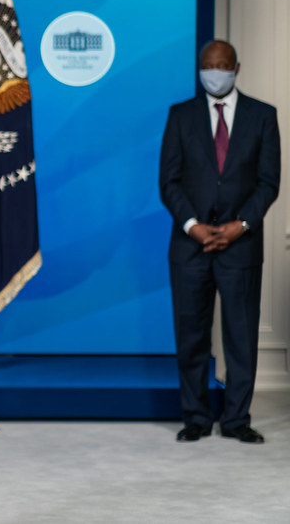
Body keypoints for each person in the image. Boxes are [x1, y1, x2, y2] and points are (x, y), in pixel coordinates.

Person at [159, 39, 280, 444]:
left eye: (223, 65)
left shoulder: (263, 116)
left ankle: (236, 421)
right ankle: (196, 417)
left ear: (236, 68)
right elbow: (168, 181)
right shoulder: (180, 116)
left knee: (241, 337)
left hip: (241, 246)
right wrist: (192, 225)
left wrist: (240, 225)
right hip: (190, 245)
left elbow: (268, 182)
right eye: (208, 66)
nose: (215, 72)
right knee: (191, 334)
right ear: (199, 69)